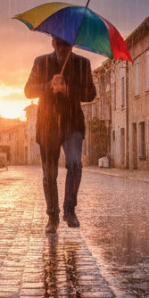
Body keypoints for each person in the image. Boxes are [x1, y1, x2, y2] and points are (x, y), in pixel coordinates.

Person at [24, 36, 97, 233]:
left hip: (72, 124)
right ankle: (52, 217)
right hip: (48, 126)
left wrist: (67, 89)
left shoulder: (83, 64)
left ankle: (69, 210)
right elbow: (28, 91)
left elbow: (91, 93)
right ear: (53, 43)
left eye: (66, 45)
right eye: (59, 44)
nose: (62, 49)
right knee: (49, 174)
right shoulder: (41, 62)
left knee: (74, 164)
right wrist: (49, 86)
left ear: (72, 45)